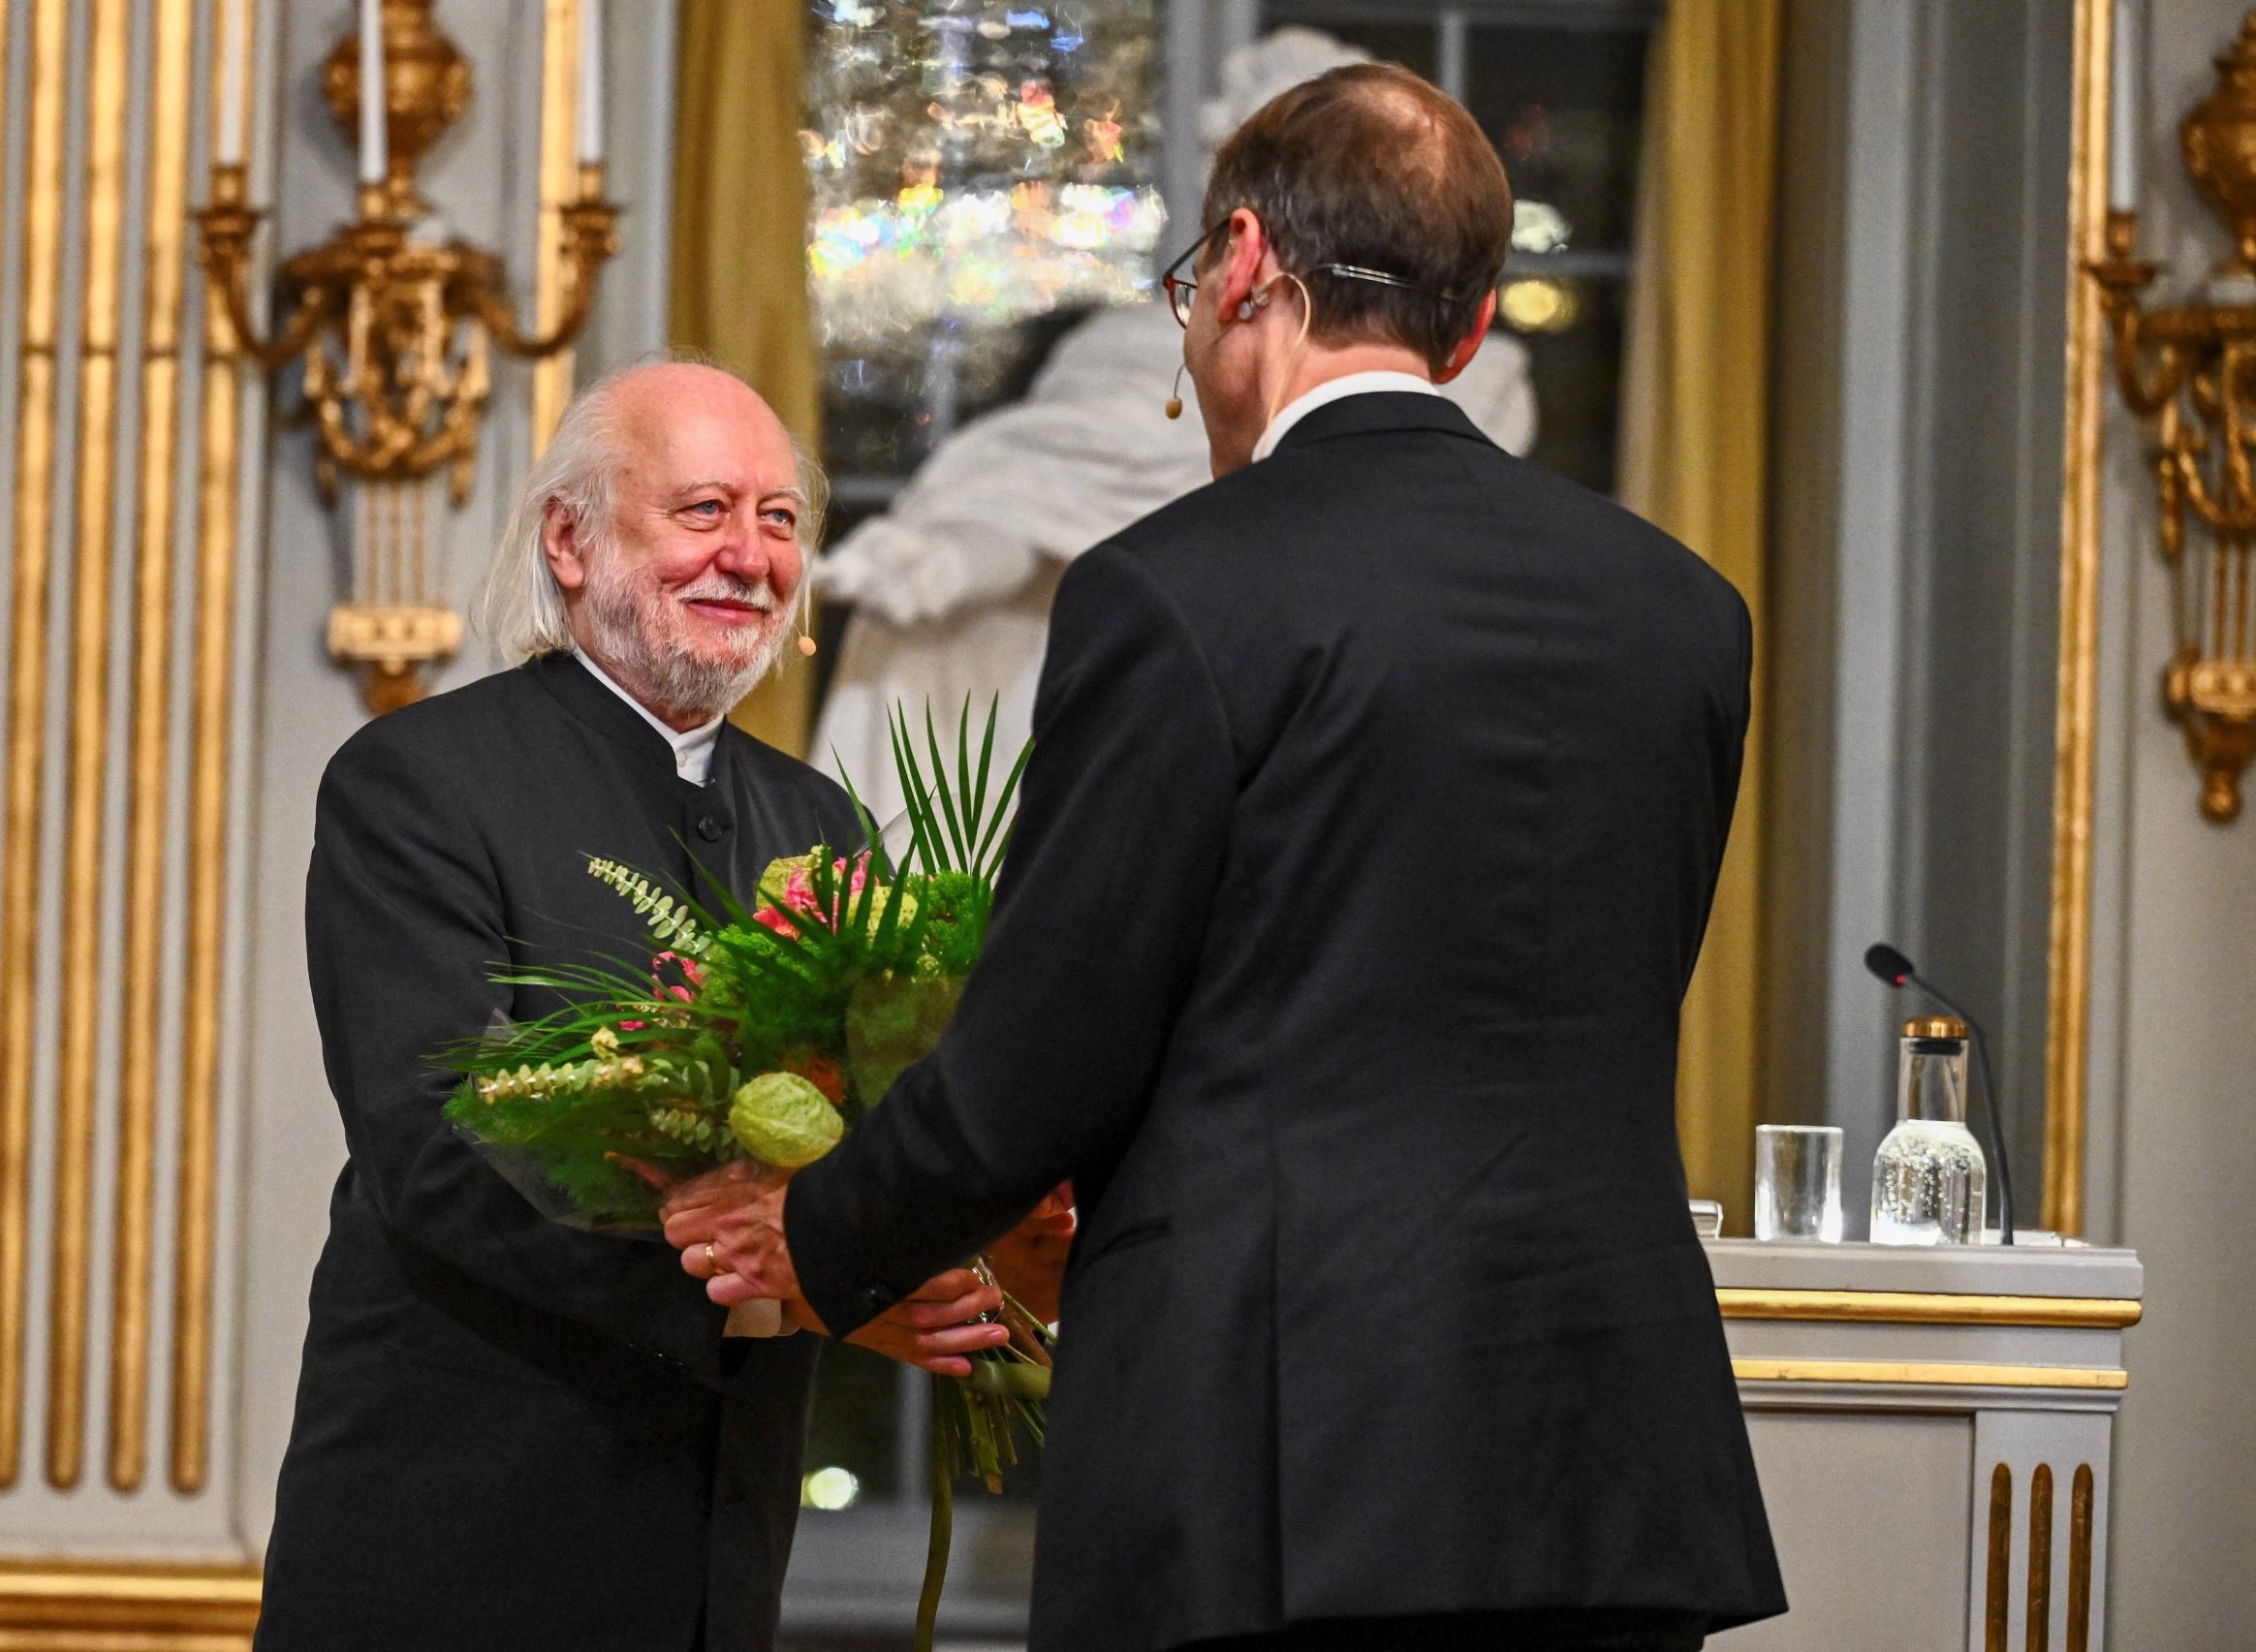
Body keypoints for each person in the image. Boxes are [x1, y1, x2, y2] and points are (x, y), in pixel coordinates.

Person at [666, 67, 1787, 1652]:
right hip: (1607, 1464)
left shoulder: (1176, 591)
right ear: (1463, 336)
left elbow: (1042, 1055)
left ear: (1248, 267)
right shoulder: (1685, 613)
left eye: (1193, 289)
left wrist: (821, 1232)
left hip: (1280, 1467)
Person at [255, 362, 1031, 1652]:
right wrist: (798, 1287)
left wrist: (938, 1241)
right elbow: (446, 1155)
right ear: (570, 539)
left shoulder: (818, 822)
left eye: (780, 520)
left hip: (716, 1561)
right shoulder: (416, 783)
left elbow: (870, 1125)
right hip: (455, 1548)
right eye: (704, 509)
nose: (750, 555)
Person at [810, 26, 1541, 827]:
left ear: (1243, 256)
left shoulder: (1159, 598)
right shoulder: (1676, 615)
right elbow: (1045, 481)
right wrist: (954, 548)